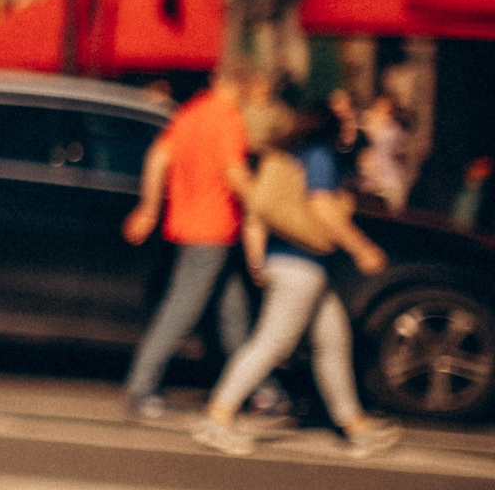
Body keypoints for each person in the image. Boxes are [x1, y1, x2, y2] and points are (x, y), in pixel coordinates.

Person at [192, 100, 400, 458]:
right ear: (327, 125)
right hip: (300, 266)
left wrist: (258, 261)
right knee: (272, 343)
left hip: (289, 264)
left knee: (333, 341)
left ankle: (354, 425)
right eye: (346, 120)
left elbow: (258, 213)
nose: (353, 125)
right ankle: (217, 416)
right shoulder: (318, 156)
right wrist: (362, 248)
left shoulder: (286, 157)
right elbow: (321, 207)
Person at [120, 62, 262, 422]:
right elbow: (234, 173)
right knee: (182, 310)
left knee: (233, 312)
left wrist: (149, 208)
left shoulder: (191, 112)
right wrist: (265, 204)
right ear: (243, 87)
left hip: (188, 225)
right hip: (213, 228)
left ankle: (261, 390)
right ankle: (141, 387)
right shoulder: (228, 118)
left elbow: (157, 157)